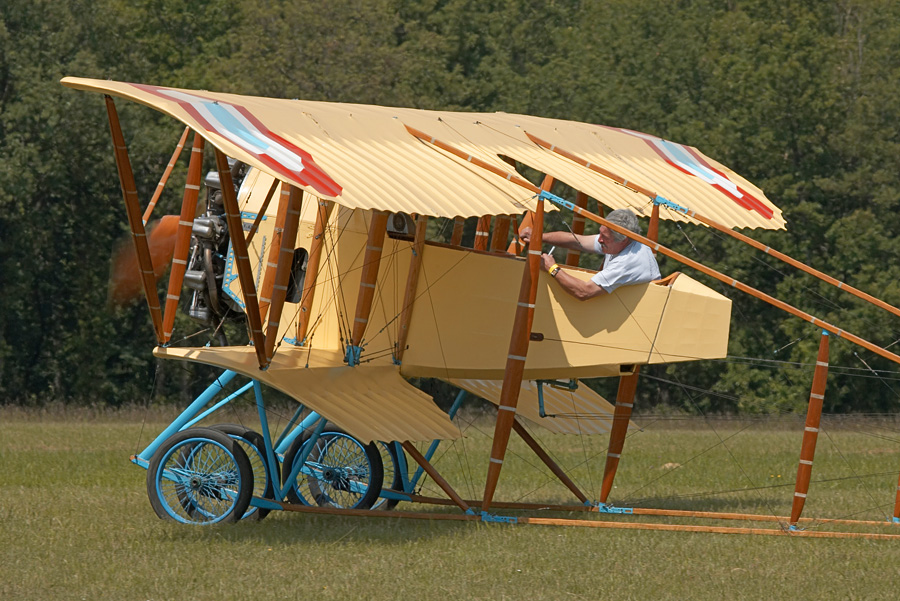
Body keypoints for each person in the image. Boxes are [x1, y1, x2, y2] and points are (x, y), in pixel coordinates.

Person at [520, 208, 660, 300]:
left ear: (624, 240)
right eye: (601, 233)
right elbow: (576, 241)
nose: (599, 240)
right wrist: (538, 237)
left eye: (605, 238)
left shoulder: (629, 261)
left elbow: (584, 292)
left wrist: (551, 268)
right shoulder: (617, 243)